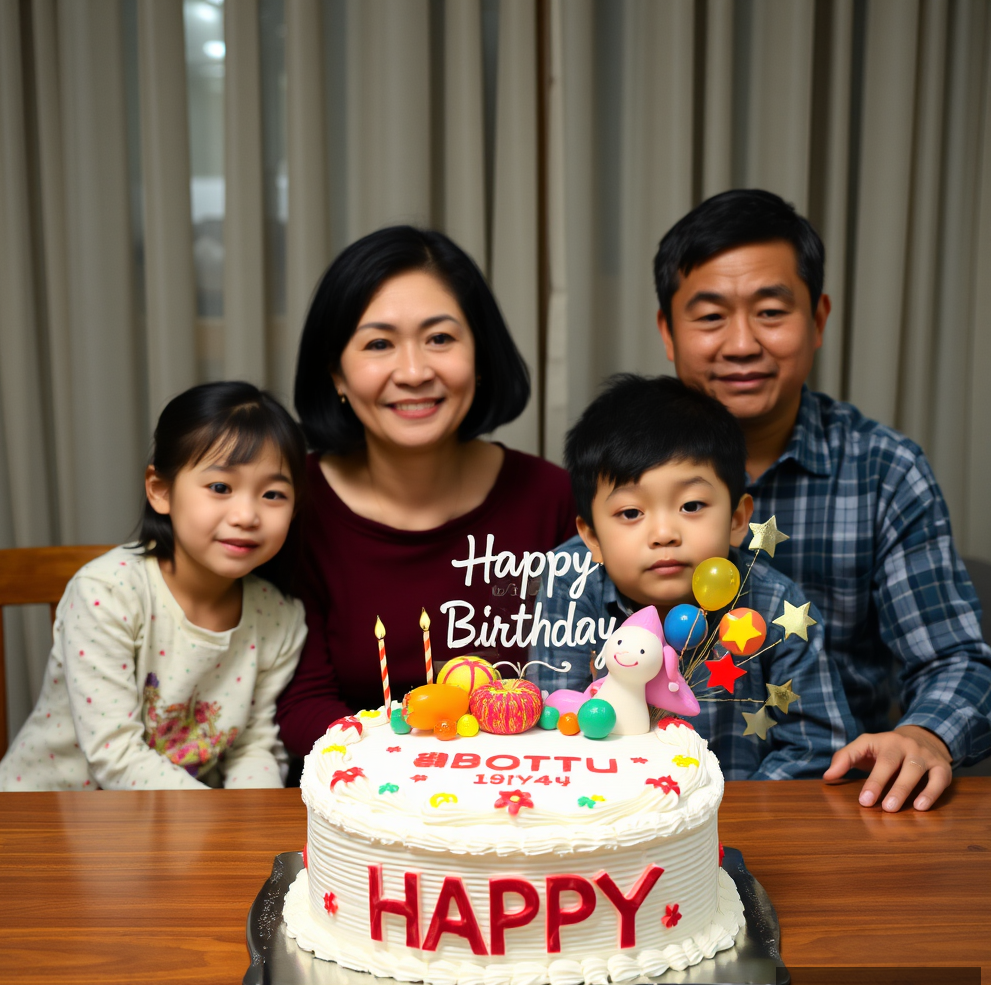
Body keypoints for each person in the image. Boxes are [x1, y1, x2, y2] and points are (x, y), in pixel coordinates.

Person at [654, 188, 991, 810]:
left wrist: (923, 734)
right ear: (667, 332)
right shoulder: (623, 476)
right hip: (650, 813)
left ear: (818, 320)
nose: (741, 343)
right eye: (709, 317)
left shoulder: (884, 471)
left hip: (838, 805)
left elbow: (957, 659)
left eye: (771, 312)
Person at [276, 226, 577, 756]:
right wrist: (421, 768)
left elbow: (585, 685)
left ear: (480, 357)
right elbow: (300, 706)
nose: (414, 372)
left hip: (521, 799)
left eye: (440, 338)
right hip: (360, 801)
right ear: (336, 375)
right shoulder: (289, 504)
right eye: (378, 344)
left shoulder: (554, 499)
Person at [529, 374, 855, 778]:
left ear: (737, 520)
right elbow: (554, 722)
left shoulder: (776, 609)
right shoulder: (571, 582)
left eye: (692, 505)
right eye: (631, 513)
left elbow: (819, 750)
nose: (664, 533)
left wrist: (718, 819)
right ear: (592, 536)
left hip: (735, 826)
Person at [0, 382, 309, 791]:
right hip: (49, 817)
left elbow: (254, 746)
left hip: (181, 827)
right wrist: (219, 822)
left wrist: (246, 829)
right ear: (161, 490)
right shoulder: (107, 592)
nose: (247, 514)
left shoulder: (280, 617)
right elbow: (115, 755)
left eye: (272, 494)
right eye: (220, 487)